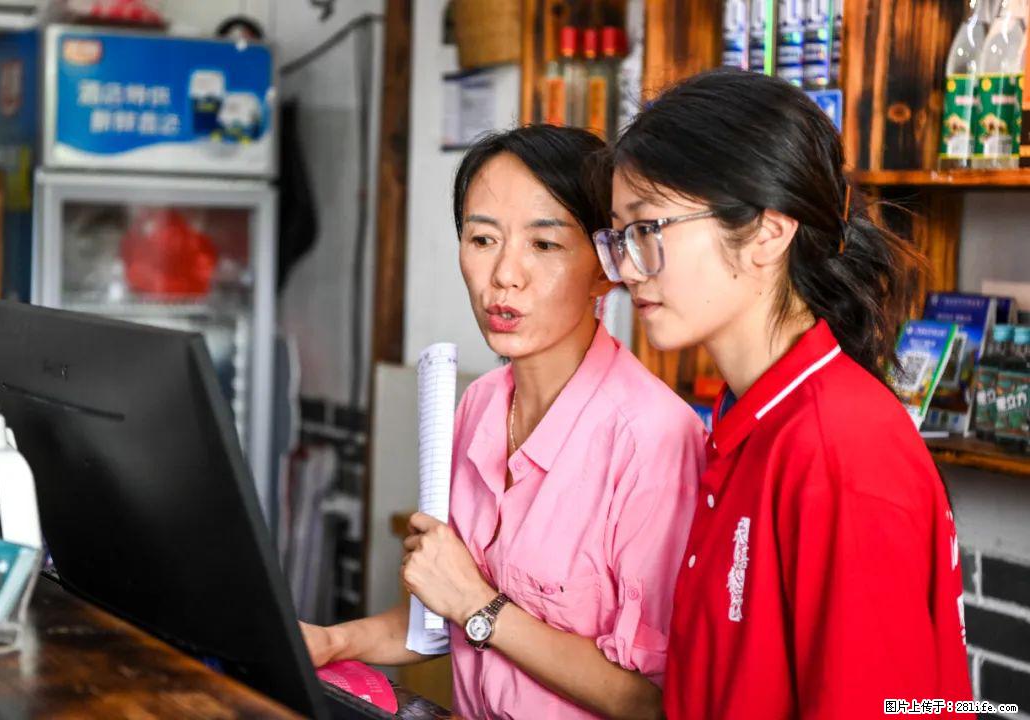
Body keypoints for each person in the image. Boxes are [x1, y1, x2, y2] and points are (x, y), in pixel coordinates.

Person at [595, 67, 973, 719]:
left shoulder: (839, 450)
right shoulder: (752, 418)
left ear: (769, 232)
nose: (627, 268)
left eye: (649, 230)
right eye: (620, 237)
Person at [302, 125, 705, 719]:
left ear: (606, 267)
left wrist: (480, 606)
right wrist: (332, 641)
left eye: (544, 244)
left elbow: (654, 703)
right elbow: (442, 613)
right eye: (483, 239)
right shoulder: (481, 405)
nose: (504, 275)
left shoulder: (655, 438)